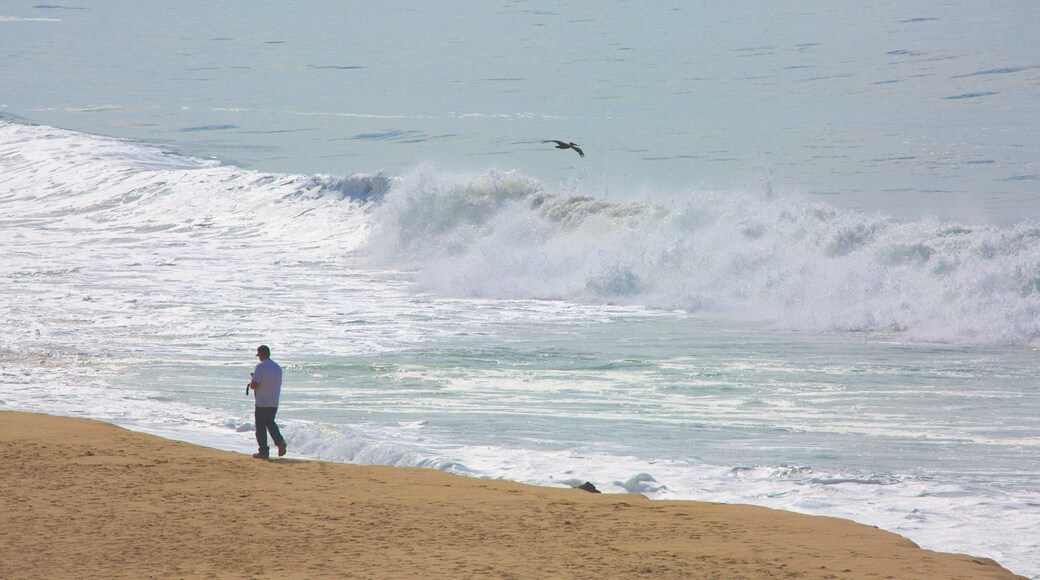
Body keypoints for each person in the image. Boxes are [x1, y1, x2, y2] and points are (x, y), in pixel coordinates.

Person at [248, 344, 286, 459]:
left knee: (260, 427)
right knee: (271, 423)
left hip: (262, 402)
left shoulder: (260, 366)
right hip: (274, 402)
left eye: (258, 355)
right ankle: (280, 442)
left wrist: (250, 383)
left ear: (261, 354)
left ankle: (263, 451)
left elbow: (254, 384)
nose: (258, 357)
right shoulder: (277, 367)